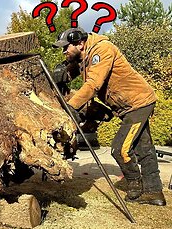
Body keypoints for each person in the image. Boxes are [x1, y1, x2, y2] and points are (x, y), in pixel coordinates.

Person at [52, 27, 166, 206]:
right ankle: (154, 193)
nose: (64, 51)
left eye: (66, 47)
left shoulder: (101, 50)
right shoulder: (85, 55)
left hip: (138, 104)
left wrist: (71, 106)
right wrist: (62, 74)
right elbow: (75, 69)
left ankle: (135, 187)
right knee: (144, 148)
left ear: (80, 43)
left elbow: (93, 84)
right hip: (130, 105)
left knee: (120, 149)